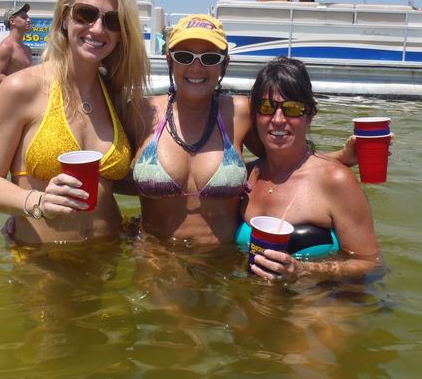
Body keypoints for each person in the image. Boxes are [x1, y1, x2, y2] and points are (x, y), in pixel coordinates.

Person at [130, 15, 356, 245]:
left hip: (224, 261)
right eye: (185, 57)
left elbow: (281, 163)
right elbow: (113, 173)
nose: (196, 67)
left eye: (209, 58)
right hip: (154, 258)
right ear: (170, 61)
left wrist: (341, 157)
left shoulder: (241, 113)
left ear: (224, 64)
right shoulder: (141, 113)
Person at [0, 0, 149, 245]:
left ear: (122, 33)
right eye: (85, 14)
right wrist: (36, 202)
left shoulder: (114, 93)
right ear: (65, 17)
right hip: (42, 259)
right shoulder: (21, 88)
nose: (97, 28)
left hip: (110, 253)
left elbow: (111, 183)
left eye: (113, 21)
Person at [238, 56, 381, 281]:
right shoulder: (246, 176)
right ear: (254, 116)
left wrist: (305, 270)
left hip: (316, 295)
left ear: (309, 116)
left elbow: (371, 264)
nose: (278, 119)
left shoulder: (336, 180)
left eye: (292, 109)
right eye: (266, 107)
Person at [0, 4, 33, 87]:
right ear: (12, 21)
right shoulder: (5, 47)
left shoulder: (27, 49)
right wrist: (21, 85)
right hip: (9, 93)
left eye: (28, 17)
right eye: (24, 17)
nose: (28, 20)